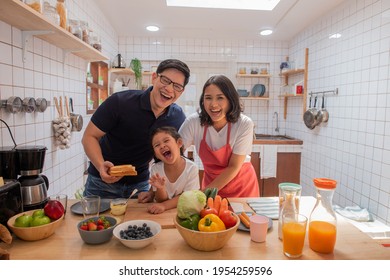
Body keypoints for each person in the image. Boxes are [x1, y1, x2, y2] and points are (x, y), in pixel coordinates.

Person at [82, 59, 191, 198]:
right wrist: (100, 165)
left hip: (140, 186)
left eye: (177, 86)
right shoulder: (119, 102)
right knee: (93, 220)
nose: (169, 89)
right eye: (165, 80)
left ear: (181, 92)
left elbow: (173, 155)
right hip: (100, 183)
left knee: (138, 221)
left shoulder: (178, 117)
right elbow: (89, 136)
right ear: (154, 78)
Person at [179, 74, 259, 198]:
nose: (213, 104)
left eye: (220, 98)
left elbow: (234, 166)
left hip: (242, 188)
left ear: (230, 100)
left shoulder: (244, 124)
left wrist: (204, 194)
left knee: (243, 218)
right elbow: (175, 152)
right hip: (211, 186)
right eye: (208, 98)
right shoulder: (193, 122)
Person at [137, 126, 200, 214]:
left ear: (179, 143)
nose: (162, 146)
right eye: (157, 145)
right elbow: (160, 200)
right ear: (156, 154)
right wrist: (161, 188)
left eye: (166, 141)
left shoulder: (192, 168)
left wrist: (164, 206)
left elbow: (187, 197)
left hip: (183, 214)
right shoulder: (156, 169)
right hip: (163, 214)